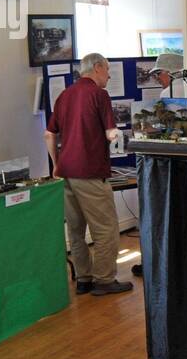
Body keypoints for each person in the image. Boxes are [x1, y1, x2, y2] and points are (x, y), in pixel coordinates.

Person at [45, 53, 132, 295]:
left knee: (75, 230)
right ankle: (104, 280)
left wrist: (56, 164)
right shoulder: (99, 94)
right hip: (90, 173)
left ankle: (83, 279)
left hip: (66, 173)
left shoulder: (64, 96)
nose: (109, 75)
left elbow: (50, 135)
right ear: (96, 68)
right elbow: (110, 134)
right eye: (107, 70)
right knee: (106, 229)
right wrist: (125, 139)